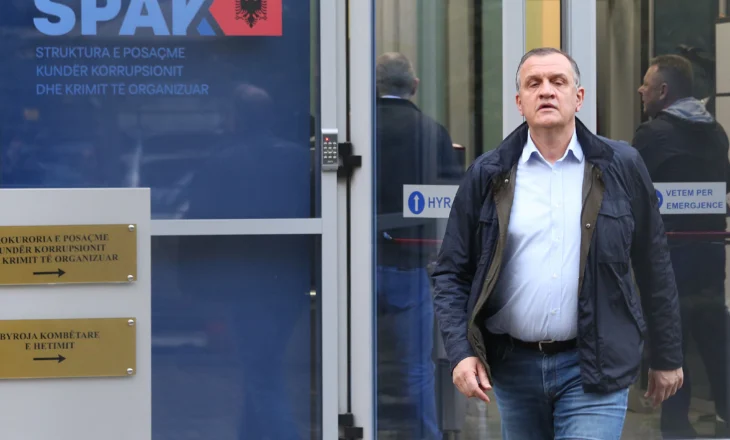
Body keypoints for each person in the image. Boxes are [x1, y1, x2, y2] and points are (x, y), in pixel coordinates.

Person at [431, 47, 684, 439]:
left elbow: (654, 264)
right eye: (534, 83)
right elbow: (451, 272)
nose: (546, 90)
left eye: (558, 81)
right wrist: (461, 352)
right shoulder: (489, 173)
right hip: (513, 368)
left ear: (578, 98)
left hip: (594, 366)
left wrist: (666, 354)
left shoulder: (621, 165)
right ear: (520, 102)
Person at [634, 54, 730, 438]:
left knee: (669, 342)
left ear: (663, 91)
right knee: (715, 339)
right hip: (710, 254)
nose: (640, 89)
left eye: (646, 84)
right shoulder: (717, 133)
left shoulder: (652, 135)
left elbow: (632, 192)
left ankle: (676, 427)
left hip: (668, 257)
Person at [375, 52, 463, 439]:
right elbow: (451, 197)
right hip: (409, 265)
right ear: (414, 86)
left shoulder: (358, 129)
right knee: (416, 367)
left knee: (356, 361)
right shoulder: (432, 132)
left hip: (359, 264)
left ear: (374, 87)